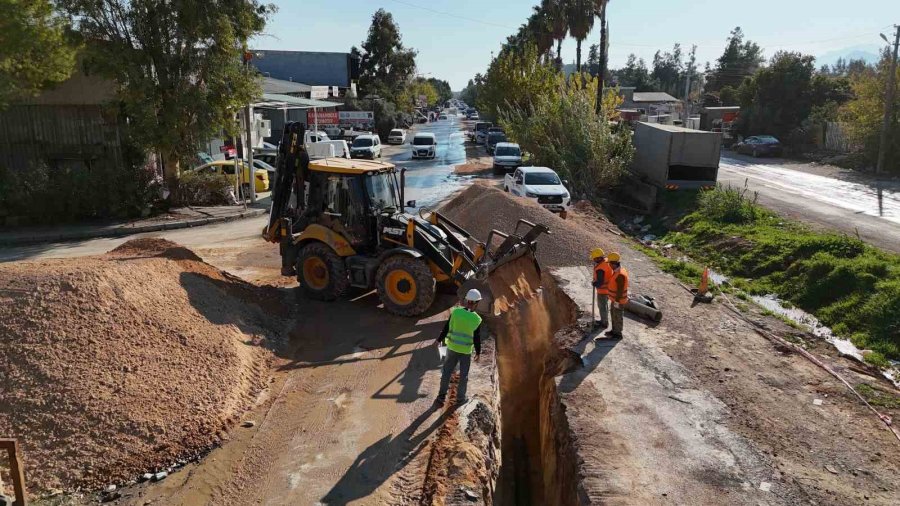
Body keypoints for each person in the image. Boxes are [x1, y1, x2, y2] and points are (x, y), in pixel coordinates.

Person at [435, 289, 483, 407]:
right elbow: (476, 338)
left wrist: (439, 339)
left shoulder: (456, 312)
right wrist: (478, 353)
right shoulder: (477, 319)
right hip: (465, 352)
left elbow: (446, 327)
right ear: (477, 303)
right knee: (463, 376)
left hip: (452, 348)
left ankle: (441, 397)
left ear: (467, 301)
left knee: (446, 373)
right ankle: (460, 399)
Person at [606, 252, 629, 339]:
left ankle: (618, 334)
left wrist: (617, 302)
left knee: (618, 316)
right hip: (615, 299)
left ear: (613, 264)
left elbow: (620, 290)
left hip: (618, 300)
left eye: (609, 263)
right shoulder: (617, 271)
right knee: (613, 314)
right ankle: (614, 330)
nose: (609, 265)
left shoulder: (620, 275)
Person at [590, 248, 612, 329]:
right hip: (609, 289)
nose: (593, 260)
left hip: (603, 291)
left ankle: (604, 323)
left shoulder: (600, 269)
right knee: (605, 306)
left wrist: (594, 283)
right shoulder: (606, 261)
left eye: (594, 258)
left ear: (599, 258)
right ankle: (604, 320)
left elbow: (600, 283)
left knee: (602, 307)